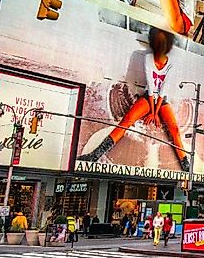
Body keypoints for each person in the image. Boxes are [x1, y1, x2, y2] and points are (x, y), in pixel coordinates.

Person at [78, 28, 190, 171]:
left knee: (174, 129)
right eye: (158, 41)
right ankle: (95, 155)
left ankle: (186, 165)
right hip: (148, 97)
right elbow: (150, 84)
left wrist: (155, 113)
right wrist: (151, 110)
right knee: (126, 121)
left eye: (163, 42)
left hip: (162, 99)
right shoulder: (148, 58)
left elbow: (164, 90)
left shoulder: (171, 63)